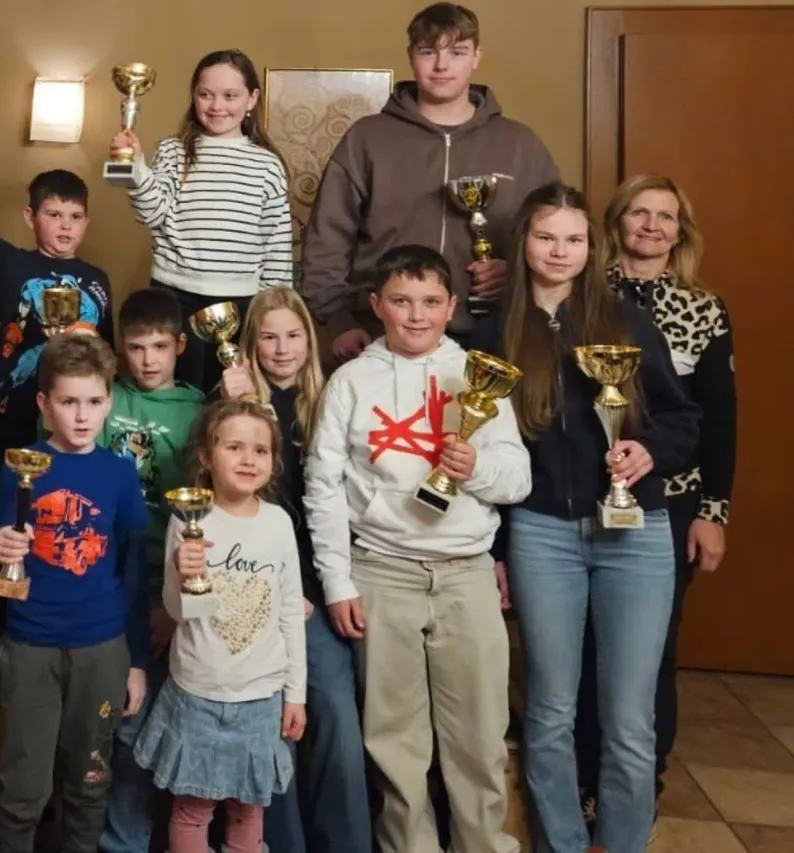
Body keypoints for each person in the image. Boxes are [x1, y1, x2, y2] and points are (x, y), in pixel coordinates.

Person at [469, 183, 700, 853]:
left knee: (629, 718)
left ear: (591, 247)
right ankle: (562, 844)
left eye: (574, 239)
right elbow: (487, 458)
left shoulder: (626, 322)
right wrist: (497, 552)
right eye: (546, 237)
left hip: (636, 533)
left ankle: (623, 842)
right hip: (542, 533)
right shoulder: (492, 334)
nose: (560, 251)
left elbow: (684, 417)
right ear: (523, 243)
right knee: (549, 711)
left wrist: (649, 451)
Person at [305, 244, 530, 853]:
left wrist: (477, 468)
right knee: (394, 738)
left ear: (451, 306)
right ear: (377, 304)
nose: (416, 315)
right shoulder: (351, 382)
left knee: (480, 732)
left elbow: (517, 478)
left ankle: (482, 844)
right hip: (382, 570)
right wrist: (338, 582)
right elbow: (323, 488)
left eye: (431, 302)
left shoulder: (481, 376)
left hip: (465, 571)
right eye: (401, 301)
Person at [573, 175, 737, 828]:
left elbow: (720, 419)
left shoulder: (705, 308)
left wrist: (713, 512)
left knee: (651, 652)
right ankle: (584, 780)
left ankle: (642, 786)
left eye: (665, 216)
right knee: (584, 647)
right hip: (585, 495)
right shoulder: (584, 295)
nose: (651, 226)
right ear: (616, 222)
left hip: (669, 503)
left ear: (680, 231)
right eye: (638, 213)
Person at [301, 2, 560, 362]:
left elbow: (559, 235)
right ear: (411, 56)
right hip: (381, 332)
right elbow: (327, 240)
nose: (441, 65)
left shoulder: (520, 144)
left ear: (476, 57)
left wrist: (518, 268)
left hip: (493, 334)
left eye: (457, 52)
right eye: (428, 52)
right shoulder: (366, 138)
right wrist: (339, 320)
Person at [218, 287, 372, 853]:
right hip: (254, 591)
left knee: (336, 716)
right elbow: (227, 509)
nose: (282, 349)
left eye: (293, 335)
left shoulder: (334, 398)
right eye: (268, 337)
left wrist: (320, 589)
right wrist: (235, 411)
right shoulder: (231, 406)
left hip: (320, 590)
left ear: (311, 339)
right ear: (250, 344)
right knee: (270, 724)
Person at [0, 333, 151, 853]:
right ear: (44, 403)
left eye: (94, 402)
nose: (82, 416)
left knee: (89, 781)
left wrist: (137, 660)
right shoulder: (20, 466)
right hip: (30, 646)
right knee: (23, 789)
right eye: (68, 402)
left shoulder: (119, 473)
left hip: (101, 649)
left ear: (110, 401)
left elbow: (133, 569)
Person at [134, 399, 306, 853]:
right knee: (192, 812)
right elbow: (180, 611)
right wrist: (184, 572)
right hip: (198, 693)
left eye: (260, 450)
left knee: (249, 811)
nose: (249, 459)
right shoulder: (189, 520)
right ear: (206, 457)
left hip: (261, 697)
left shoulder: (278, 524)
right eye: (234, 447)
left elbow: (290, 612)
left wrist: (296, 694)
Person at [114, 48, 293, 395]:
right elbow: (151, 213)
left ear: (252, 99)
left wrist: (274, 311)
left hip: (241, 302)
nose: (217, 106)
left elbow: (276, 245)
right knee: (175, 393)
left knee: (228, 398)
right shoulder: (173, 150)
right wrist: (136, 169)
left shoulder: (267, 165)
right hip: (174, 296)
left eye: (230, 96)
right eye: (205, 94)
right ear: (193, 96)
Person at [97, 287, 205, 853]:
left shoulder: (197, 409)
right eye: (136, 347)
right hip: (104, 581)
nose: (147, 360)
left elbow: (209, 515)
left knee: (143, 725)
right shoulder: (103, 397)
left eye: (159, 347)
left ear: (180, 346)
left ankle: (130, 840)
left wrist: (172, 603)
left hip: (167, 583)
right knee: (107, 719)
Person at [0, 145, 114, 463]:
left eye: (75, 217)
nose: (66, 225)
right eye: (54, 215)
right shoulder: (13, 266)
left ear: (87, 221)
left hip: (79, 419)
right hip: (18, 414)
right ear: (30, 217)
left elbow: (108, 353)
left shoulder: (98, 280)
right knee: (15, 491)